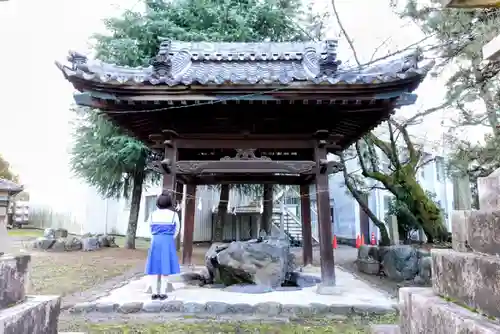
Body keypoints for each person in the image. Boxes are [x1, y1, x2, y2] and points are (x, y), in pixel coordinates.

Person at [145, 192, 181, 300]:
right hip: (168, 241)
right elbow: (177, 229)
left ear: (157, 203)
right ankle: (163, 292)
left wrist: (155, 237)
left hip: (155, 240)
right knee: (166, 267)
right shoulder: (174, 215)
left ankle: (154, 293)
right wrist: (170, 238)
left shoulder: (152, 214)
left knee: (154, 267)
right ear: (170, 203)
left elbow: (149, 229)